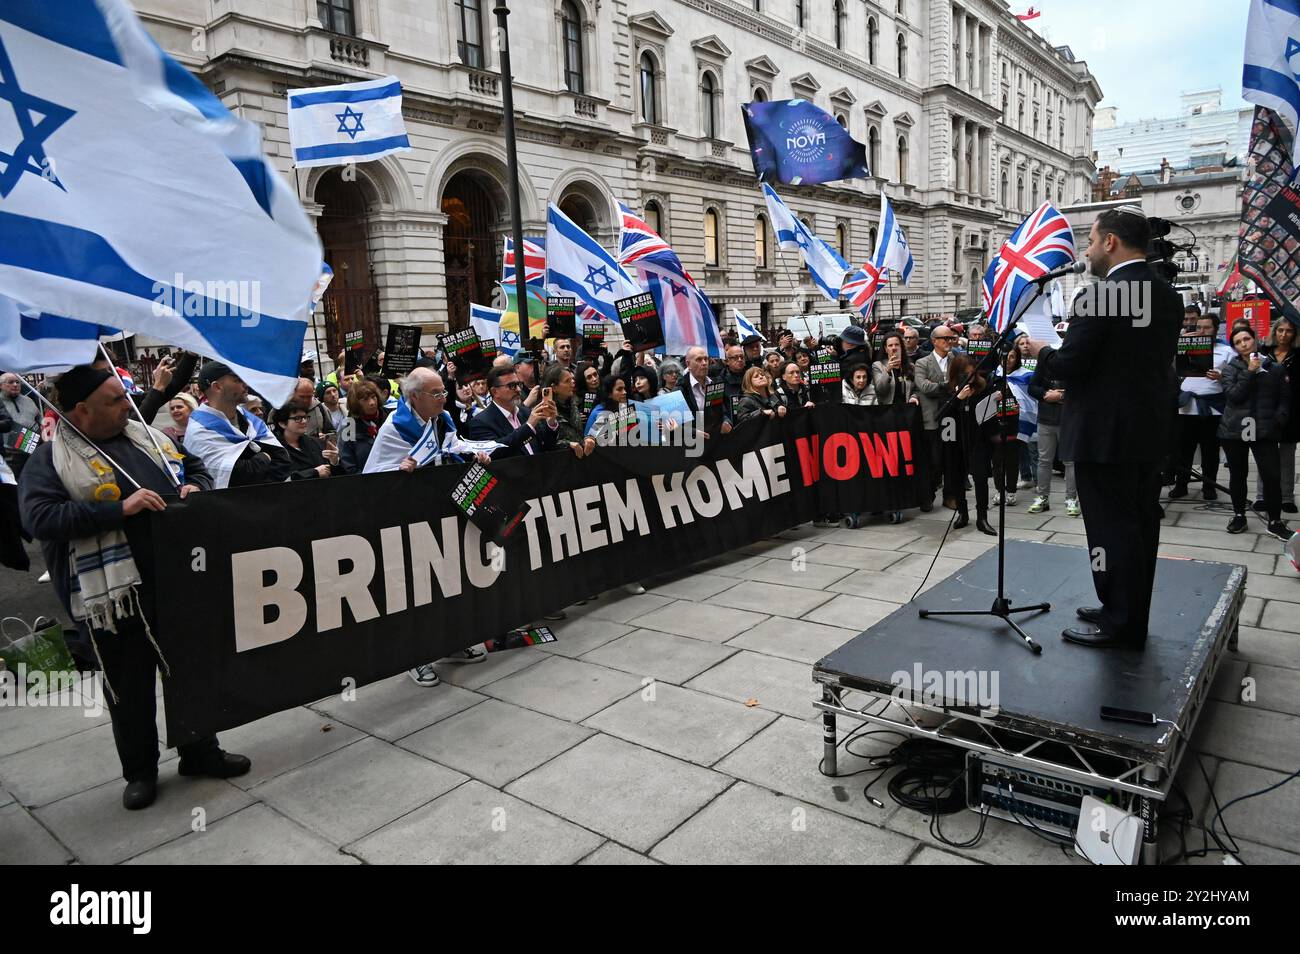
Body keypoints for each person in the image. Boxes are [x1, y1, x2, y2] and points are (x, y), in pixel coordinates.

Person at [19, 365, 250, 810]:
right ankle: (140, 771)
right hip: (112, 598)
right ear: (81, 410)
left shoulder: (146, 436)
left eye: (126, 396)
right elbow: (40, 519)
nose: (129, 405)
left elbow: (194, 466)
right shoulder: (49, 460)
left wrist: (193, 487)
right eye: (115, 400)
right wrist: (119, 509)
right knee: (128, 684)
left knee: (188, 671)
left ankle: (199, 750)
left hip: (175, 581)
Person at [1022, 207, 1182, 650]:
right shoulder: (1167, 293)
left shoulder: (1101, 296)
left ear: (1110, 242)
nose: (1087, 251)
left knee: (1110, 532)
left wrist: (1041, 350)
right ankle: (1125, 609)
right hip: (1146, 433)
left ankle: (1120, 622)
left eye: (1090, 241)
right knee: (1140, 527)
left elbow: (1071, 364)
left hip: (1103, 435)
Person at [362, 367, 493, 683]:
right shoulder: (395, 428)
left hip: (438, 511)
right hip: (405, 519)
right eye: (436, 393)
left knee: (447, 582)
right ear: (414, 397)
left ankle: (451, 642)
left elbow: (454, 447)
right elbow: (373, 476)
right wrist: (400, 467)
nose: (443, 398)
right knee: (414, 589)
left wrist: (475, 454)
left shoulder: (442, 419)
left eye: (443, 392)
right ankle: (415, 656)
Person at [1218, 325, 1291, 538]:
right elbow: (1234, 396)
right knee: (1238, 474)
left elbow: (1284, 397)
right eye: (1238, 342)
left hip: (1265, 429)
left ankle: (1275, 520)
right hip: (1234, 429)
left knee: (1271, 474)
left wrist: (1280, 418)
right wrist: (1249, 371)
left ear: (1255, 340)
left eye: (1247, 339)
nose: (1243, 344)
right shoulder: (1231, 369)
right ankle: (1239, 514)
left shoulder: (1274, 368)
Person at [183, 362, 291, 488]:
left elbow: (283, 461)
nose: (246, 384)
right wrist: (264, 457)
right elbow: (235, 476)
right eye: (238, 379)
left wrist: (256, 474)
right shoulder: (200, 430)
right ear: (217, 387)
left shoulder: (251, 421)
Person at [1170, 313, 1234, 502]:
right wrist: (1180, 342)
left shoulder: (1226, 351)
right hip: (1187, 407)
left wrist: (1221, 377)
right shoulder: (1185, 346)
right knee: (1184, 449)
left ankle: (1209, 486)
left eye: (1206, 328)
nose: (1202, 331)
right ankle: (1181, 485)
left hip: (1212, 408)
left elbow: (1236, 376)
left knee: (1210, 451)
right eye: (1199, 327)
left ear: (1216, 329)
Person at [1027, 344, 1079, 516]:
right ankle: (1042, 496)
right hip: (1046, 419)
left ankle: (1071, 498)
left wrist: (1061, 395)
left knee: (1070, 461)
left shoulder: (1073, 365)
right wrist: (1045, 395)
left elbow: (1083, 389)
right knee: (1044, 460)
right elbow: (1032, 387)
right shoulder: (1043, 365)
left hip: (1068, 420)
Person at [913, 325, 961, 512]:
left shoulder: (955, 360)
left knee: (950, 459)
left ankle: (950, 496)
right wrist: (947, 386)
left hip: (951, 418)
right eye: (945, 338)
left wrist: (941, 386)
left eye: (951, 338)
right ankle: (929, 495)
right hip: (932, 418)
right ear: (934, 341)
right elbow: (924, 386)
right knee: (933, 461)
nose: (949, 342)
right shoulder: (922, 363)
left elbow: (963, 381)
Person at [465, 365, 559, 458]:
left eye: (518, 384)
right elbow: (495, 452)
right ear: (495, 392)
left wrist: (551, 423)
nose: (518, 389)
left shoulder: (525, 412)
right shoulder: (480, 422)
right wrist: (528, 427)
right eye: (512, 386)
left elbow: (546, 447)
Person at [1260, 315, 1297, 515]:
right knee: (1264, 455)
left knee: (1287, 455)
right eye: (1280, 330)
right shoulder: (1264, 353)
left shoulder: (1297, 355)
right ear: (1275, 331)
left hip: (1291, 411)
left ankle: (1287, 497)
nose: (1283, 335)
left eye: (1288, 331)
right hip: (1266, 409)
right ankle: (1261, 495)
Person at [272, 401, 340, 480]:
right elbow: (281, 479)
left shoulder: (317, 443)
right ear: (282, 423)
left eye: (305, 417)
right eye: (298, 418)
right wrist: (314, 472)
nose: (304, 421)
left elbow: (334, 475)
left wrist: (334, 462)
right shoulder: (275, 448)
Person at [541, 363, 596, 457]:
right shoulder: (544, 411)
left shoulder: (575, 403)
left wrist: (589, 438)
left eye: (572, 379)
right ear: (554, 388)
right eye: (567, 381)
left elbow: (580, 432)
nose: (572, 383)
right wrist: (568, 444)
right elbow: (545, 443)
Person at [679, 346, 733, 435]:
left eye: (706, 359)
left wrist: (726, 421)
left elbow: (721, 410)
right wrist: (694, 433)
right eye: (699, 360)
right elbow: (675, 426)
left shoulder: (715, 383)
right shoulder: (681, 389)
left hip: (717, 440)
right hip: (694, 444)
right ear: (688, 364)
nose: (704, 363)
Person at [1, 371, 41, 480]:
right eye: (10, 382)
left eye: (17, 382)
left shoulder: (29, 400)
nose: (15, 385)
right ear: (1, 385)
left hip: (33, 451)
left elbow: (39, 419)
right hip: (10, 456)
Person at [338, 378, 383, 474]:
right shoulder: (349, 429)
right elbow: (349, 467)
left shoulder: (389, 418)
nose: (372, 403)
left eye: (373, 397)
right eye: (365, 399)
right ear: (356, 403)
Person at [872, 330, 920, 407]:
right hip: (888, 411)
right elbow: (880, 391)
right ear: (886, 349)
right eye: (890, 345)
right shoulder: (878, 366)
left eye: (897, 345)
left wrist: (914, 397)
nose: (894, 348)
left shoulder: (910, 366)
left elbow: (917, 388)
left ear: (901, 347)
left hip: (906, 409)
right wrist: (888, 370)